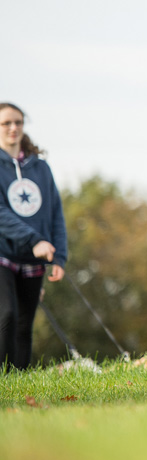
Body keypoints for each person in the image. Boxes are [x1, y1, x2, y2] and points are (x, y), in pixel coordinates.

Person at [0, 103, 66, 371]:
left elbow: (55, 213)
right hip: (4, 254)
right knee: (6, 315)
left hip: (34, 260)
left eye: (18, 122)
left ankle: (19, 379)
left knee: (25, 324)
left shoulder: (41, 168)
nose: (13, 128)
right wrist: (33, 240)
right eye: (6, 123)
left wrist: (59, 255)